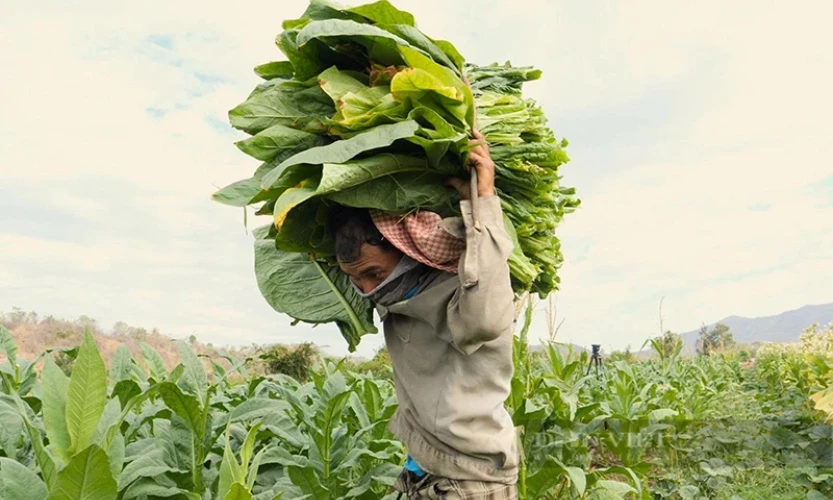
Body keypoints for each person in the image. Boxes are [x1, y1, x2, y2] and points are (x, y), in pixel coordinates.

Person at [331, 131, 519, 499]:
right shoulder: (397, 302)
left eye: (374, 274)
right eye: (355, 279)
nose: (368, 290)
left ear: (407, 249)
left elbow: (484, 321)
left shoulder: (464, 288)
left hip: (472, 480)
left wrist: (482, 202)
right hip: (422, 469)